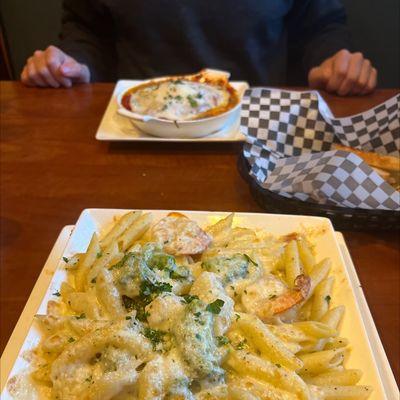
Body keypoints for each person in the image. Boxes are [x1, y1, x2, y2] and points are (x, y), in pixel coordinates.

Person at [21, 0, 377, 96]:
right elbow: (87, 29)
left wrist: (332, 60)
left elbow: (320, 25)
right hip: (135, 130)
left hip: (255, 127)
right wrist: (75, 63)